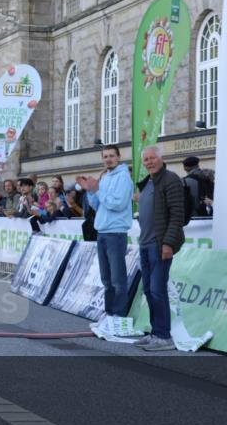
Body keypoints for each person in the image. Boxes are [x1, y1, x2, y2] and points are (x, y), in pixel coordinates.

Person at [134, 146, 186, 352]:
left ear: (161, 158)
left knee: (157, 290)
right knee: (148, 290)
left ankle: (164, 336)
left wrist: (168, 244)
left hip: (159, 245)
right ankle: (156, 333)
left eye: (152, 158)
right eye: (145, 159)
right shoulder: (148, 182)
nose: (149, 162)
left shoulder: (170, 179)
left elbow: (177, 215)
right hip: (145, 245)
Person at [77, 145, 134, 324]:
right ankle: (109, 314)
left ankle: (119, 316)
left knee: (117, 279)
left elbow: (117, 204)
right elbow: (98, 205)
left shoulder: (124, 177)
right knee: (106, 279)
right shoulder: (106, 176)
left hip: (116, 232)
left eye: (111, 156)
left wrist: (98, 191)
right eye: (105, 156)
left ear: (118, 157)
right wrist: (90, 191)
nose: (108, 159)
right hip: (102, 232)